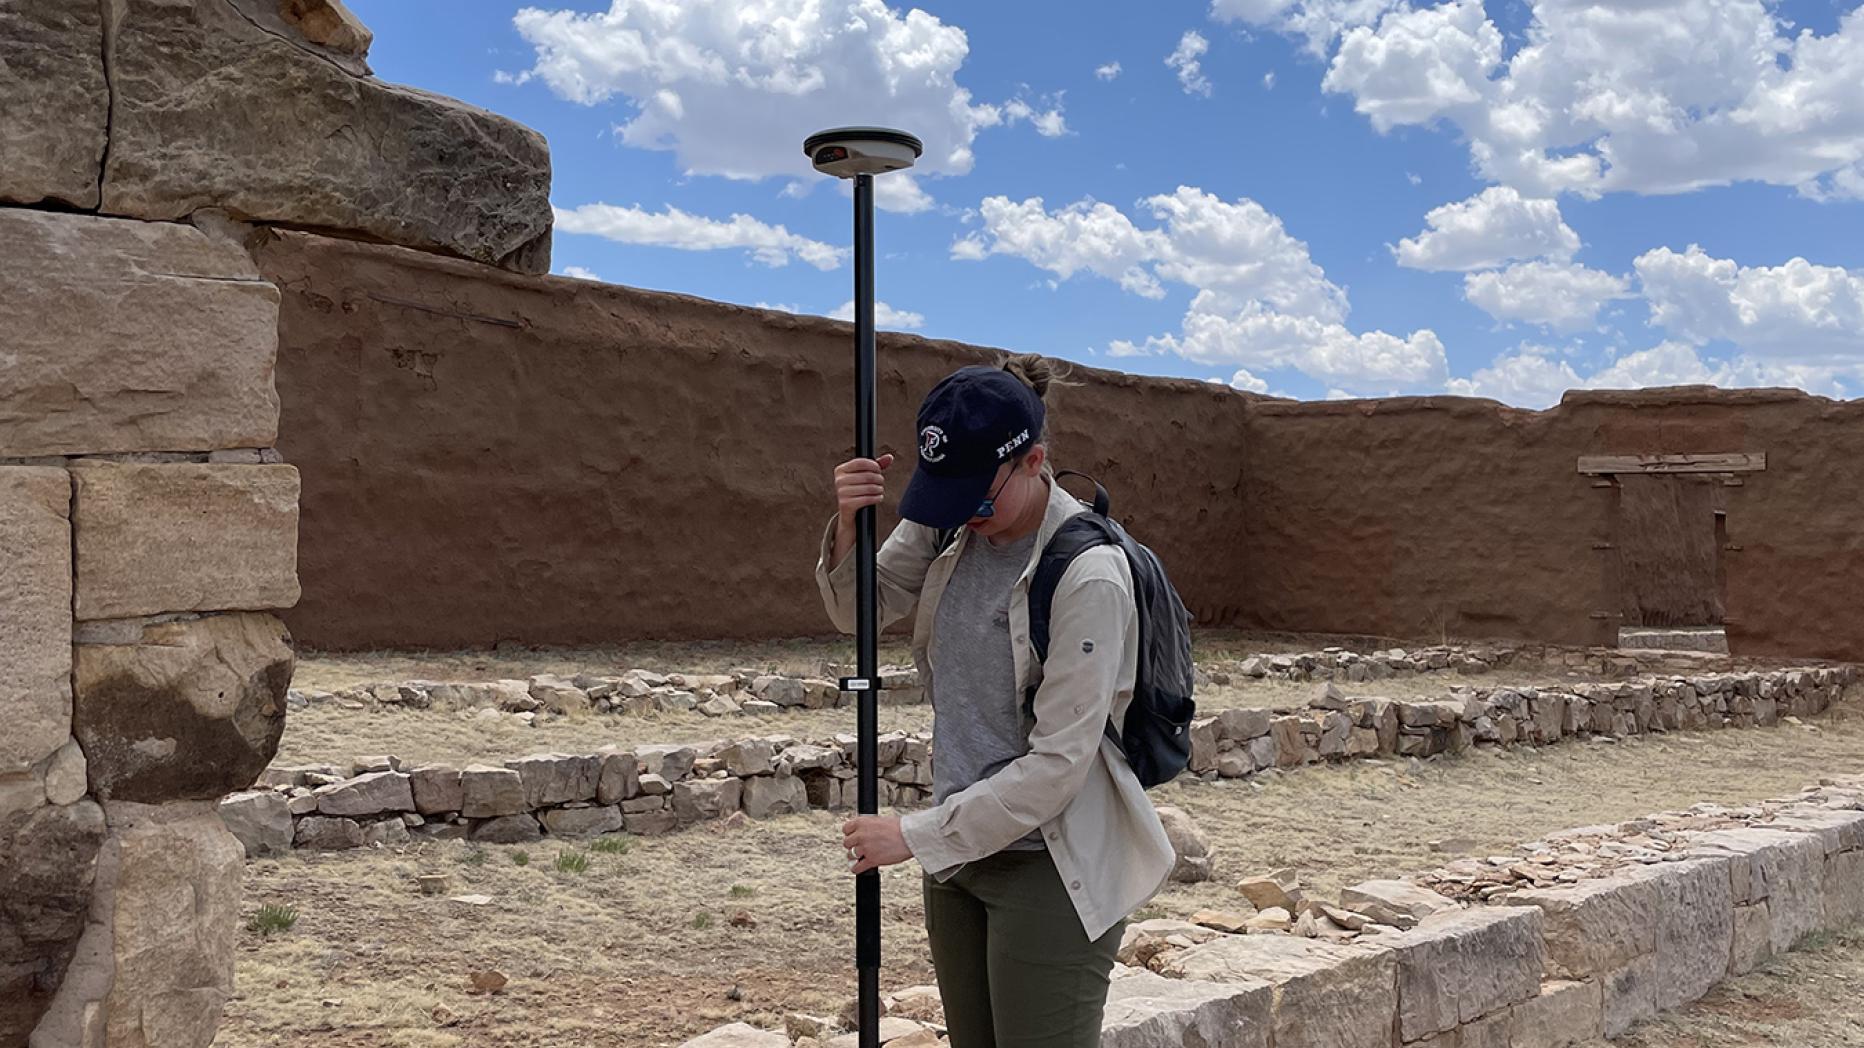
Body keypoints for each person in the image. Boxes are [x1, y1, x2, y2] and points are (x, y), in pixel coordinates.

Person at [815, 354, 1175, 1048]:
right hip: (958, 854)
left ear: (1034, 460)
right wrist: (849, 522)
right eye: (946, 497)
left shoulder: (1088, 576)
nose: (965, 515)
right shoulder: (952, 513)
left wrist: (912, 835)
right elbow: (861, 608)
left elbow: (1058, 768)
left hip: (1050, 866)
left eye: (979, 498)